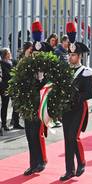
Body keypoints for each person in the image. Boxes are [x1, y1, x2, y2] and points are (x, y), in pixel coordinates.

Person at [60, 23, 92, 181]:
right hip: (65, 109)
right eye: (69, 54)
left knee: (73, 136)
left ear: (79, 56)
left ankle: (81, 162)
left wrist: (76, 96)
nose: (70, 57)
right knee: (67, 138)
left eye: (73, 55)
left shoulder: (85, 72)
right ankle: (69, 170)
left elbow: (90, 93)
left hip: (79, 108)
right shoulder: (65, 71)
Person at [22, 21, 49, 176]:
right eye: (34, 53)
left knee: (35, 133)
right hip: (27, 103)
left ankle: (40, 161)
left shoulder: (45, 71)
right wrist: (26, 58)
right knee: (28, 134)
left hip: (39, 102)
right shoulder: (26, 66)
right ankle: (34, 163)